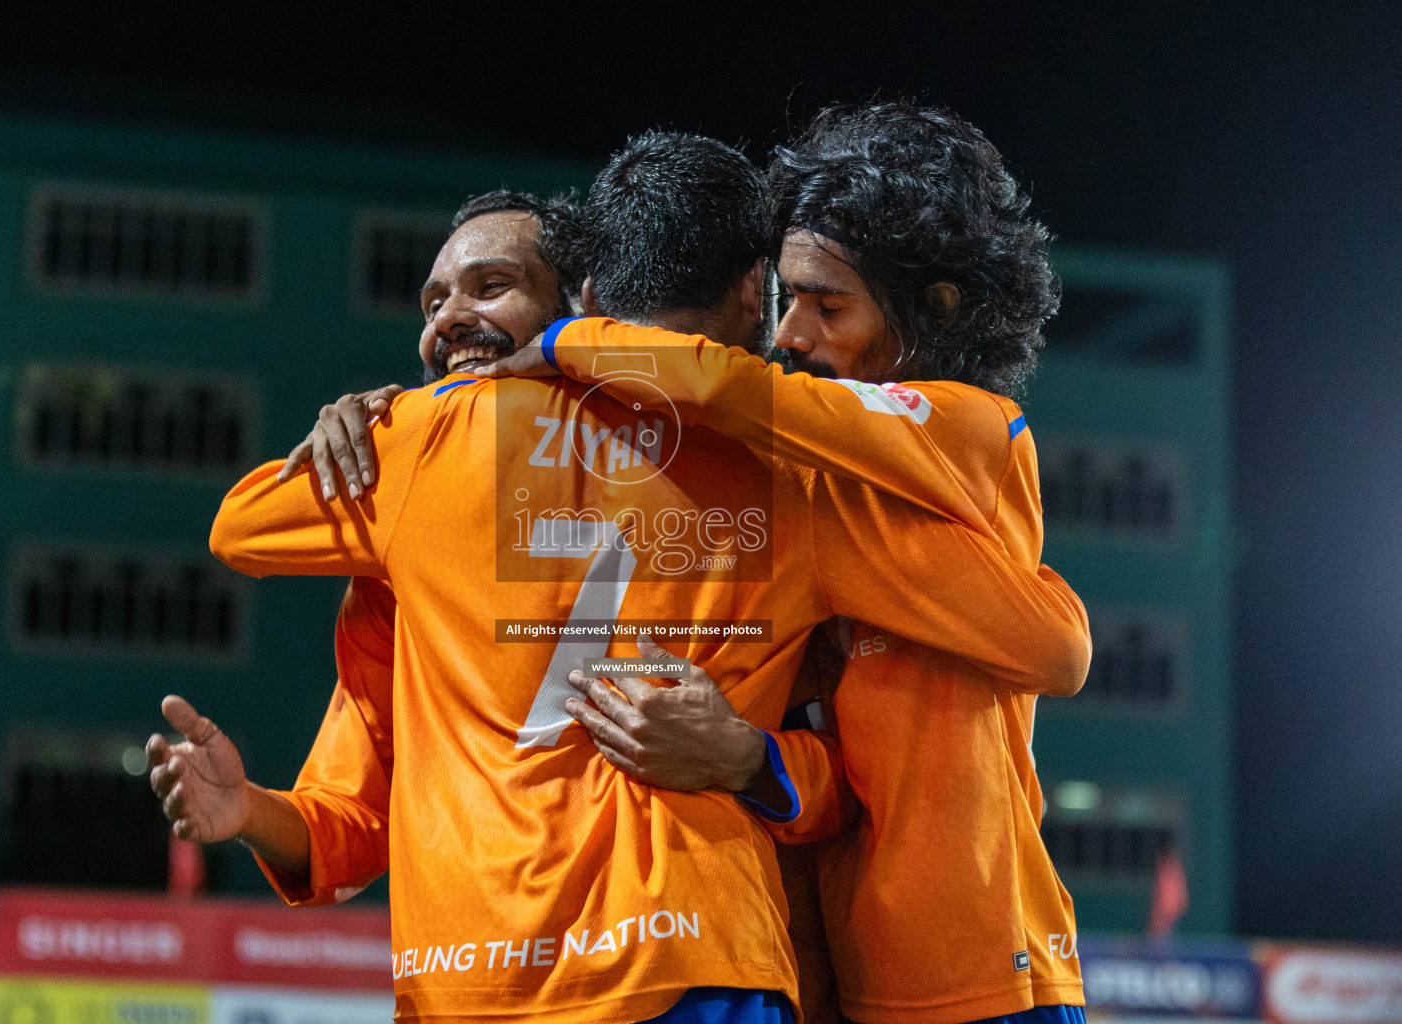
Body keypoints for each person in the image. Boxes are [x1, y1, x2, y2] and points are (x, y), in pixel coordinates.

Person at [156, 131, 1088, 1023]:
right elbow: (1045, 643)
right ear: (751, 293)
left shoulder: (420, 450)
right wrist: (746, 760)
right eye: (435, 299)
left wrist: (395, 418)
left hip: (474, 978)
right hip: (700, 959)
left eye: (492, 287)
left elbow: (240, 523)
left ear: (586, 295)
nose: (452, 320)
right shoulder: (802, 480)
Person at [478, 101, 1088, 1024]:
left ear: (938, 306)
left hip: (989, 967)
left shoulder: (972, 426)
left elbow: (1059, 650)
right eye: (785, 300)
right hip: (847, 976)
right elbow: (837, 777)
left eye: (827, 304)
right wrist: (745, 760)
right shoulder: (805, 491)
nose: (793, 333)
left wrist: (573, 338)